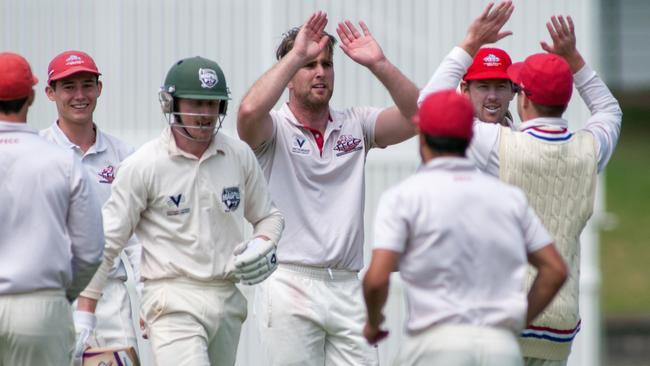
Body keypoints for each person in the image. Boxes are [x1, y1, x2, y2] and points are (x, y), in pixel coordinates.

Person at [420, 10, 623, 366]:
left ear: (523, 98)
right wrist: (575, 60)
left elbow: (428, 107)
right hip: (558, 325)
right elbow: (609, 110)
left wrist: (469, 44)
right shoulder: (589, 151)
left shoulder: (498, 145)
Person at [237, 10, 419, 365]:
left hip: (348, 286)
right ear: (290, 76)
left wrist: (379, 63)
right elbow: (246, 113)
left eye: (327, 63)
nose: (320, 72)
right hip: (289, 281)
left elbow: (418, 118)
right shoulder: (273, 129)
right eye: (309, 64)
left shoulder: (357, 123)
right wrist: (294, 57)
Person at [77, 56, 284, 366]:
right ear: (169, 103)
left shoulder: (238, 155)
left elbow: (269, 216)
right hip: (171, 297)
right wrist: (85, 312)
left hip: (227, 297)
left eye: (212, 104)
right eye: (195, 103)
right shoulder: (144, 164)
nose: (204, 114)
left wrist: (263, 241)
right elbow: (108, 243)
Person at [363, 89, 568, 366]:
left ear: (421, 133)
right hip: (501, 347)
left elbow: (376, 279)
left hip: (436, 343)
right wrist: (515, 323)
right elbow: (555, 270)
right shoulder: (508, 198)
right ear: (471, 137)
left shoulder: (404, 197)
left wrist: (374, 323)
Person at [0, 52, 104, 365]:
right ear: (32, 97)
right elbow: (90, 252)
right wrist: (61, 297)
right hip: (40, 304)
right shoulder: (61, 160)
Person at [40, 50, 144, 357]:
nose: (80, 95)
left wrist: (149, 299)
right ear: (51, 92)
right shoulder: (38, 151)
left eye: (87, 85)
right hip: (54, 294)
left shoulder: (125, 155)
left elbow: (137, 238)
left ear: (99, 88)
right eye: (69, 87)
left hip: (111, 296)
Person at [419, 1, 516, 128]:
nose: (492, 96)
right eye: (483, 86)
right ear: (465, 90)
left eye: (500, 86)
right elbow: (428, 107)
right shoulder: (457, 134)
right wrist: (471, 43)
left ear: (513, 91)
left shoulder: (525, 136)